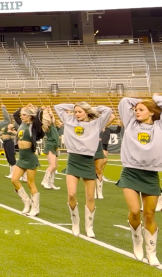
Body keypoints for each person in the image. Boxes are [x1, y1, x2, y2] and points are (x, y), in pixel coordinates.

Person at [117, 95, 162, 266]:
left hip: (150, 176)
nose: (136, 112)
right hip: (130, 173)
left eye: (141, 110)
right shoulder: (131, 124)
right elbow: (124, 102)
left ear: (151, 112)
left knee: (149, 214)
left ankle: (151, 252)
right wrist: (138, 100)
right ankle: (137, 240)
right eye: (135, 110)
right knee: (135, 211)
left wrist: (155, 98)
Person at [54, 102, 113, 238]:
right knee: (71, 194)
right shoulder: (69, 120)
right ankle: (75, 222)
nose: (77, 114)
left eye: (80, 112)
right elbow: (58, 107)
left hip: (88, 161)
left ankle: (89, 226)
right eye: (75, 112)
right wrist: (74, 106)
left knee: (90, 197)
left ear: (86, 112)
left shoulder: (96, 123)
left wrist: (90, 108)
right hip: (73, 160)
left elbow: (107, 110)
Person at [10, 107, 41, 217]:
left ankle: (35, 208)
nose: (21, 116)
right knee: (14, 179)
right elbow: (15, 114)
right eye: (22, 114)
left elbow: (39, 117)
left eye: (24, 115)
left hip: (30, 157)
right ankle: (27, 202)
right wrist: (22, 108)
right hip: (22, 157)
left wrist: (37, 109)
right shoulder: (21, 124)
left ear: (29, 116)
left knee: (30, 183)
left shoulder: (33, 126)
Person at [41, 107, 62, 190]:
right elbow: (49, 118)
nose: (49, 115)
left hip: (55, 146)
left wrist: (59, 126)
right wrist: (47, 111)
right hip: (50, 145)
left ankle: (51, 183)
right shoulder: (46, 124)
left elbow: (55, 130)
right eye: (47, 115)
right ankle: (45, 181)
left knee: (55, 166)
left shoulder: (52, 125)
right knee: (52, 165)